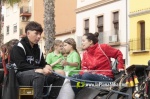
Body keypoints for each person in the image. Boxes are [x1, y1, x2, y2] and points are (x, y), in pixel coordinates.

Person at [10, 21, 64, 99]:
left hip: (37, 74)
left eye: (40, 34)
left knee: (60, 74)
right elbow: (21, 65)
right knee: (39, 74)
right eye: (36, 33)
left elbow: (43, 63)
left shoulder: (38, 49)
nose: (39, 36)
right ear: (28, 33)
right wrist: (38, 69)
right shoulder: (18, 47)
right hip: (20, 76)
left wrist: (47, 66)